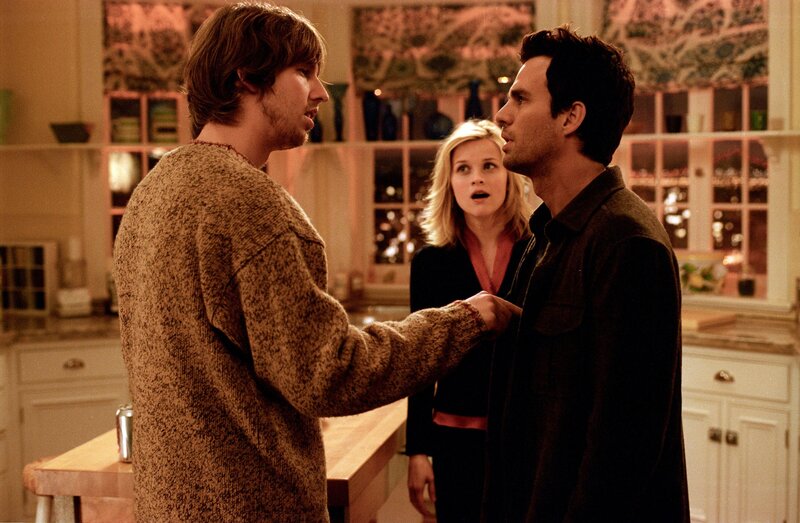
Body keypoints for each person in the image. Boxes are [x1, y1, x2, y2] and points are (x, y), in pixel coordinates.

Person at [112, 3, 520, 521]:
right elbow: (329, 372)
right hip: (250, 509)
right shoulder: (249, 203)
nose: (322, 93)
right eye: (304, 72)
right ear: (247, 79)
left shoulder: (152, 193)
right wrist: (467, 319)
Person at [484, 26, 690, 521]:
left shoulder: (626, 242)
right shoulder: (545, 234)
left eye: (520, 99)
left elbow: (622, 453)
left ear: (570, 117)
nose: (501, 115)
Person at [405, 120, 533, 522]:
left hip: (528, 438)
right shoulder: (430, 263)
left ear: (510, 175)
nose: (477, 178)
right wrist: (417, 451)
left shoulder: (540, 251)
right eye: (463, 169)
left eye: (489, 166)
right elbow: (421, 361)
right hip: (454, 437)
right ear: (450, 183)